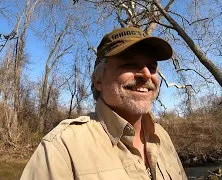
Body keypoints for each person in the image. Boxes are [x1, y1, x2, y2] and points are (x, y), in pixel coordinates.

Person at [20, 26, 187, 180]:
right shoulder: (62, 147)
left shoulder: (161, 136)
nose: (146, 74)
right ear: (98, 80)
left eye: (152, 67)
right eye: (129, 64)